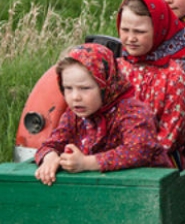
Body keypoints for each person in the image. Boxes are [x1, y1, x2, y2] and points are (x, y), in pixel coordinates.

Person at [34, 43, 172, 186]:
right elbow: (52, 142)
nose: (75, 97)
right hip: (106, 188)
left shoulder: (133, 113)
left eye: (85, 88)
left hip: (148, 189)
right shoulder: (73, 116)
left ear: (105, 84)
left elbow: (138, 150)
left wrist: (87, 163)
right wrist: (49, 156)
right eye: (68, 88)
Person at [116, 0, 185, 168]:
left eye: (140, 32)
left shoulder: (174, 79)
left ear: (159, 29)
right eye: (125, 30)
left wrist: (127, 160)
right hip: (113, 158)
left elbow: (168, 138)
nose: (130, 38)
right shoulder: (115, 70)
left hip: (157, 164)